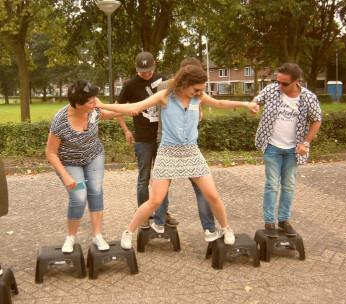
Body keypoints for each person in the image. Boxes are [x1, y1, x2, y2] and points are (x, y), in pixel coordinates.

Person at [96, 64, 259, 249]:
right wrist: (101, 105)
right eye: (196, 88)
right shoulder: (165, 96)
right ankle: (128, 232)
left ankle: (226, 228)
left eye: (201, 90)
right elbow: (135, 106)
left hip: (191, 152)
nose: (199, 92)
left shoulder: (198, 96)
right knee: (155, 200)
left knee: (212, 195)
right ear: (185, 83)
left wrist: (246, 104)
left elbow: (220, 103)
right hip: (168, 152)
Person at [46, 80, 121, 253]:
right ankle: (70, 237)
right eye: (91, 101)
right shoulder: (60, 121)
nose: (95, 103)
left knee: (95, 191)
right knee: (79, 198)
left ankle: (97, 235)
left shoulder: (93, 111)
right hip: (69, 162)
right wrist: (65, 176)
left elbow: (111, 113)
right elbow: (50, 153)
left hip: (94, 156)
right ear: (78, 104)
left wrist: (132, 110)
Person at [152, 57, 219, 242]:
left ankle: (209, 228)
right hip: (166, 141)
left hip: (188, 144)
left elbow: (199, 110)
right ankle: (159, 220)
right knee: (163, 186)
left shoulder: (196, 91)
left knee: (201, 188)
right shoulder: (164, 88)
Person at [253, 63, 322, 238]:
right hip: (272, 146)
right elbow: (257, 100)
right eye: (278, 81)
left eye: (284, 83)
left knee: (289, 185)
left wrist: (306, 143)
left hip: (294, 149)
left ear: (296, 81)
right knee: (271, 185)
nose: (280, 86)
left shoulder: (308, 98)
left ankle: (284, 221)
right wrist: (254, 105)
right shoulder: (271, 90)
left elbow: (316, 120)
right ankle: (269, 222)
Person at [116, 51, 178, 229]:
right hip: (142, 139)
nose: (146, 74)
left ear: (154, 65)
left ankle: (162, 213)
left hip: (162, 137)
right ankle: (143, 215)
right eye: (142, 71)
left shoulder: (162, 80)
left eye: (149, 71)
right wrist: (126, 130)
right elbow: (118, 108)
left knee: (163, 177)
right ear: (137, 69)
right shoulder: (129, 85)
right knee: (144, 178)